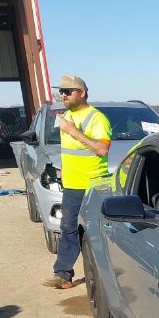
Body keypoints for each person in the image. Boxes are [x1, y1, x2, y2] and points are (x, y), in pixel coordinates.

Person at [42, 75, 112, 289]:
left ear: (82, 92)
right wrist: (64, 168)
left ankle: (109, 276)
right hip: (72, 184)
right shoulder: (65, 116)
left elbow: (101, 149)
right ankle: (63, 275)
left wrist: (73, 131)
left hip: (93, 185)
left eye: (68, 91)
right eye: (61, 91)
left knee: (98, 231)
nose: (63, 95)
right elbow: (69, 149)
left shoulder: (96, 118)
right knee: (68, 227)